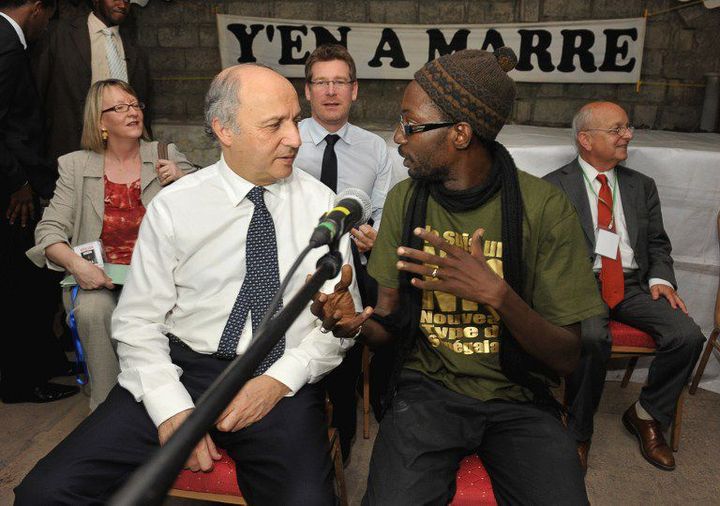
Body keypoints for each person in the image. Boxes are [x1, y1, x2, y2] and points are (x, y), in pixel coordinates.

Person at [15, 64, 371, 506]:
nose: (296, 138)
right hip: (183, 368)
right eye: (274, 125)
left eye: (294, 120)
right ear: (224, 129)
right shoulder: (176, 206)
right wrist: (171, 408)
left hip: (279, 376)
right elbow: (137, 321)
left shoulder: (322, 205)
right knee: (44, 493)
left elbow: (340, 324)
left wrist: (279, 381)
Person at [358, 48, 606, 505]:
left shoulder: (543, 209)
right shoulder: (402, 202)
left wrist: (499, 296)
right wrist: (352, 322)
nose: (398, 136)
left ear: (459, 134)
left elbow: (568, 357)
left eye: (410, 125)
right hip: (427, 391)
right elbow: (385, 332)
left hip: (518, 397)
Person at [543, 101, 705, 472]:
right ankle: (579, 430)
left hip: (633, 285)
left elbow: (658, 244)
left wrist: (661, 279)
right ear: (586, 139)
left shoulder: (641, 186)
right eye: (617, 129)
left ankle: (646, 415)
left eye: (627, 127)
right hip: (580, 285)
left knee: (687, 335)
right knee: (590, 338)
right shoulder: (553, 187)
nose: (627, 135)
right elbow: (543, 252)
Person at [26, 78, 194, 409]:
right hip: (101, 279)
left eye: (135, 105)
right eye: (120, 107)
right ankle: (107, 410)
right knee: (92, 308)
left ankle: (173, 409)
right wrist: (78, 266)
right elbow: (49, 231)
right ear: (100, 120)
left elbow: (207, 210)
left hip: (160, 279)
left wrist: (186, 177)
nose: (132, 113)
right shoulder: (75, 166)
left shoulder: (164, 155)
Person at [294, 43, 393, 461]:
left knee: (378, 312)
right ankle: (300, 417)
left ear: (355, 90)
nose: (330, 91)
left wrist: (377, 237)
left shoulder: (376, 149)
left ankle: (352, 427)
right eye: (321, 82)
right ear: (307, 90)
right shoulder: (289, 139)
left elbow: (386, 211)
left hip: (359, 260)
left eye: (339, 82)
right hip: (299, 256)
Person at [0, 0, 79, 404]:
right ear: (36, 8)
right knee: (23, 282)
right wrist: (18, 182)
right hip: (15, 190)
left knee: (28, 280)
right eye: (48, 16)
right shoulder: (8, 46)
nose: (47, 26)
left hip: (23, 180)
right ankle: (21, 380)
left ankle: (44, 361)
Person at [31, 0, 151, 164]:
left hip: (121, 156)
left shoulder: (135, 48)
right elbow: (34, 95)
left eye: (127, 0)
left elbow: (143, 105)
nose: (122, 4)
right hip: (69, 152)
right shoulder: (60, 34)